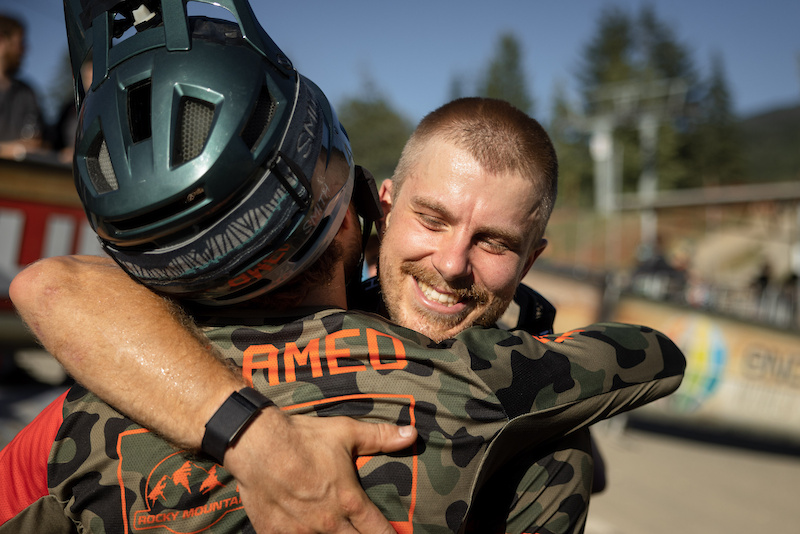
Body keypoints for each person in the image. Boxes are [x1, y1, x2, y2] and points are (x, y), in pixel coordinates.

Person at [1, 1, 685, 533]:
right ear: (370, 205)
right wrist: (264, 444)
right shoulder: (506, 397)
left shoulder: (102, 399)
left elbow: (51, 287)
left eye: (494, 244)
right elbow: (652, 358)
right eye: (433, 219)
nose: (452, 264)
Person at [0, 13, 43, 160]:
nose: (25, 50)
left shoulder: (26, 93)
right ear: (1, 41)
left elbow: (37, 142)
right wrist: (14, 150)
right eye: (20, 43)